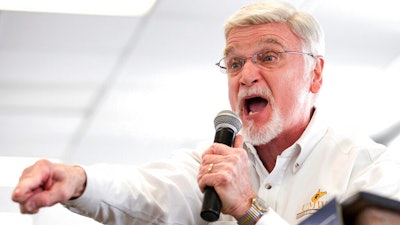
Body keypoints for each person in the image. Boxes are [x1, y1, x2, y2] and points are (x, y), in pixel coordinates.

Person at [11, 1, 400, 224]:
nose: (246, 75)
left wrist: (249, 210)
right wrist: (77, 180)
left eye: (268, 56)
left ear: (315, 74)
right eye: (234, 64)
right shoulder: (213, 165)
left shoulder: (370, 171)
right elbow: (144, 191)